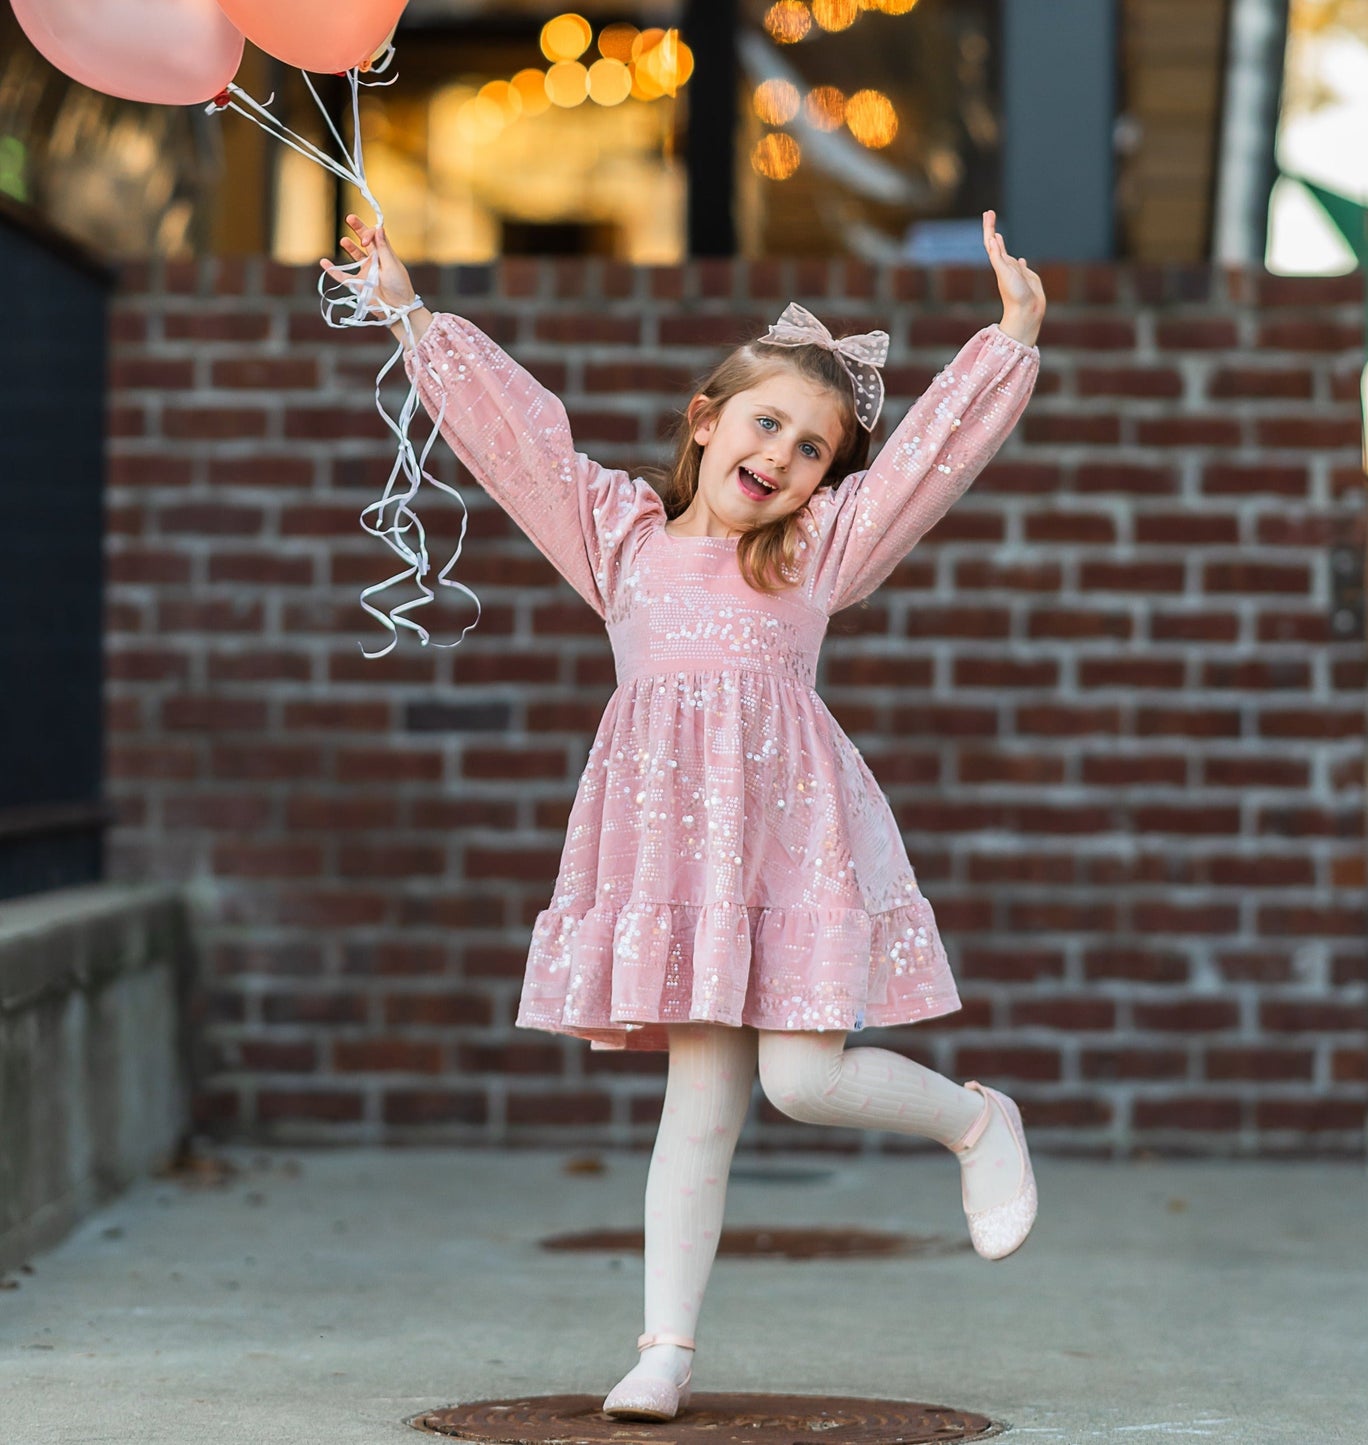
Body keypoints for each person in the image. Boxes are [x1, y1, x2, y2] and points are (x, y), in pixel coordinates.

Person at [321, 212, 1046, 1421]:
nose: (781, 456)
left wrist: (1007, 338)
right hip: (673, 850)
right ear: (706, 420)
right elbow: (519, 441)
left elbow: (924, 460)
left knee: (804, 1082)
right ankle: (664, 1347)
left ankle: (975, 1121)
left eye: (812, 448)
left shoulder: (818, 552)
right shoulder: (616, 538)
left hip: (785, 839)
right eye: (764, 423)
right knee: (697, 1106)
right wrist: (408, 310)